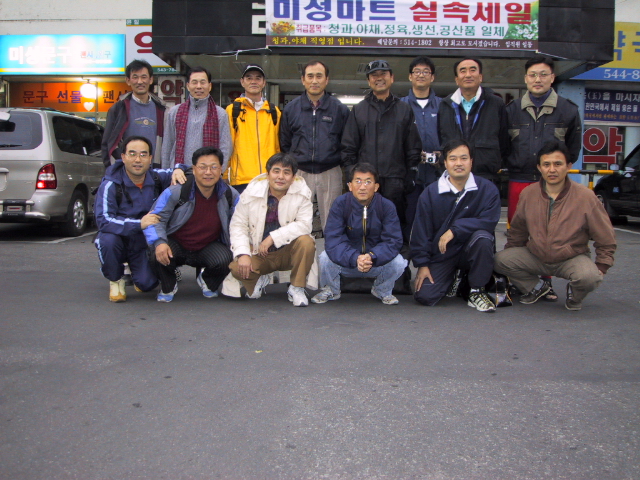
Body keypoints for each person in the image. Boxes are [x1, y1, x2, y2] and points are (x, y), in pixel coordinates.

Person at [494, 140, 616, 311]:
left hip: (571, 258)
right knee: (499, 260)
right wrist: (511, 256)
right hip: (536, 256)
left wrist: (602, 265)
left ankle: (575, 295)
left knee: (590, 277)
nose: (552, 170)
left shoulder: (586, 196)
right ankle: (537, 288)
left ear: (568, 166)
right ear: (539, 168)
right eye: (546, 164)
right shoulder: (528, 194)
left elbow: (605, 236)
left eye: (558, 164)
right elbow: (518, 230)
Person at [505, 56, 582, 302]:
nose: (537, 79)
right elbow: (503, 145)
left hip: (551, 183)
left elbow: (573, 148)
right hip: (518, 179)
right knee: (516, 232)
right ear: (525, 79)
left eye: (543, 74)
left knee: (548, 233)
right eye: (533, 75)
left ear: (552, 78)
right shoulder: (511, 110)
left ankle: (545, 281)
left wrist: (556, 172)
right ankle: (520, 280)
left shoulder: (568, 110)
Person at [410, 139, 501, 312]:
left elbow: (489, 220)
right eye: (453, 158)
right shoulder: (431, 192)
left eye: (464, 158)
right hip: (443, 254)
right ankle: (457, 278)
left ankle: (477, 290)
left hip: (472, 250)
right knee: (425, 296)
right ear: (445, 162)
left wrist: (455, 230)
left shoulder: (487, 189)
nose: (458, 163)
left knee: (483, 237)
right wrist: (423, 264)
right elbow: (421, 232)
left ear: (471, 161)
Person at [144, 147, 238, 302]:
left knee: (226, 258)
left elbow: (241, 222)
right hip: (176, 244)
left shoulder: (229, 194)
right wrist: (160, 242)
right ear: (194, 169)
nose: (208, 172)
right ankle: (168, 284)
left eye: (214, 167)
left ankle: (207, 280)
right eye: (202, 167)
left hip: (207, 246)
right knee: (156, 251)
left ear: (221, 169)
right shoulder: (176, 192)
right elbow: (155, 219)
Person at [341, 59, 422, 239]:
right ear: (368, 81)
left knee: (395, 227)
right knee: (364, 227)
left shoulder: (404, 109)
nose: (379, 78)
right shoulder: (359, 110)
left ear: (392, 78)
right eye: (374, 75)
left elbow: (413, 147)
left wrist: (410, 175)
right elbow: (348, 148)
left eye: (383, 74)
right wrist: (352, 177)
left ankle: (397, 257)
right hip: (366, 183)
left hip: (395, 182)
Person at [226, 153, 317, 307]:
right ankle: (260, 277)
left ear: (293, 177)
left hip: (288, 252)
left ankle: (296, 287)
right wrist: (243, 253)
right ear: (267, 174)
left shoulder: (302, 193)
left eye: (286, 172)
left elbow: (304, 225)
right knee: (236, 268)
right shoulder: (251, 192)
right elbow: (238, 225)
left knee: (306, 242)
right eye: (276, 171)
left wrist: (273, 238)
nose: (280, 177)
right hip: (259, 252)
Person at [311, 163, 407, 306]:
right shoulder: (340, 204)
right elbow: (334, 240)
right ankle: (331, 290)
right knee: (325, 257)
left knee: (399, 262)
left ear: (376, 186)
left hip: (374, 262)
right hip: (348, 262)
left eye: (368, 182)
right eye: (358, 181)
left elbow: (393, 241)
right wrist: (355, 257)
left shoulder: (386, 206)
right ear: (350, 186)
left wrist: (372, 256)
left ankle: (382, 290)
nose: (362, 187)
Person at [94, 135, 174, 302]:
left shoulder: (156, 177)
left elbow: (190, 170)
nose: (138, 159)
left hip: (142, 242)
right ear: (123, 157)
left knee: (147, 284)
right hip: (118, 238)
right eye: (132, 154)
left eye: (143, 154)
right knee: (107, 241)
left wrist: (180, 170)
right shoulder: (110, 184)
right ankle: (115, 278)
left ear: (150, 158)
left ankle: (138, 273)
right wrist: (139, 224)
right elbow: (103, 220)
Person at [279, 60, 350, 231]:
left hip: (330, 171)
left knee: (332, 224)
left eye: (319, 76)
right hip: (300, 173)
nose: (314, 81)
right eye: (310, 76)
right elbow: (285, 142)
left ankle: (331, 250)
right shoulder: (291, 109)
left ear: (327, 80)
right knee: (297, 222)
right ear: (303, 80)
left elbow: (347, 142)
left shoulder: (339, 109)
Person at [437, 58, 510, 182]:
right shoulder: (445, 105)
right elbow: (442, 137)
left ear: (480, 77)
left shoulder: (496, 103)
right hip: (453, 176)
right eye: (463, 71)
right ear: (456, 79)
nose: (468, 75)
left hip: (486, 175)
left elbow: (504, 141)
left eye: (472, 70)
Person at [162, 67, 232, 170]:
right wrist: (166, 172)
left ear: (210, 86)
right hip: (179, 173)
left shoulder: (220, 114)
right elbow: (167, 146)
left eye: (202, 82)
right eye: (194, 82)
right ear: (188, 86)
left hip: (208, 174)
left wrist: (218, 172)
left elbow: (225, 148)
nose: (199, 86)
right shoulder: (174, 112)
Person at [226, 64, 282, 193]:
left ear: (264, 83)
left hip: (269, 179)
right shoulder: (233, 110)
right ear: (242, 82)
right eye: (249, 78)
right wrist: (224, 174)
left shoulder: (274, 111)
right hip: (241, 180)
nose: (253, 81)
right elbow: (227, 145)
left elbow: (278, 147)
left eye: (258, 78)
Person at [101, 59, 166, 169]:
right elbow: (108, 143)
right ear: (128, 80)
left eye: (144, 77)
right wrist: (114, 168)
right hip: (126, 170)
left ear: (150, 80)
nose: (140, 81)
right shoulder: (118, 109)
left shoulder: (162, 110)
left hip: (153, 170)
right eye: (135, 77)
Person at [401, 56, 442, 188]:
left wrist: (444, 155)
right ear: (410, 76)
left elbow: (452, 137)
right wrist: (411, 155)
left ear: (432, 77)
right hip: (409, 177)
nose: (421, 75)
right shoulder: (400, 106)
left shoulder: (443, 106)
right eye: (417, 71)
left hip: (438, 177)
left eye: (426, 72)